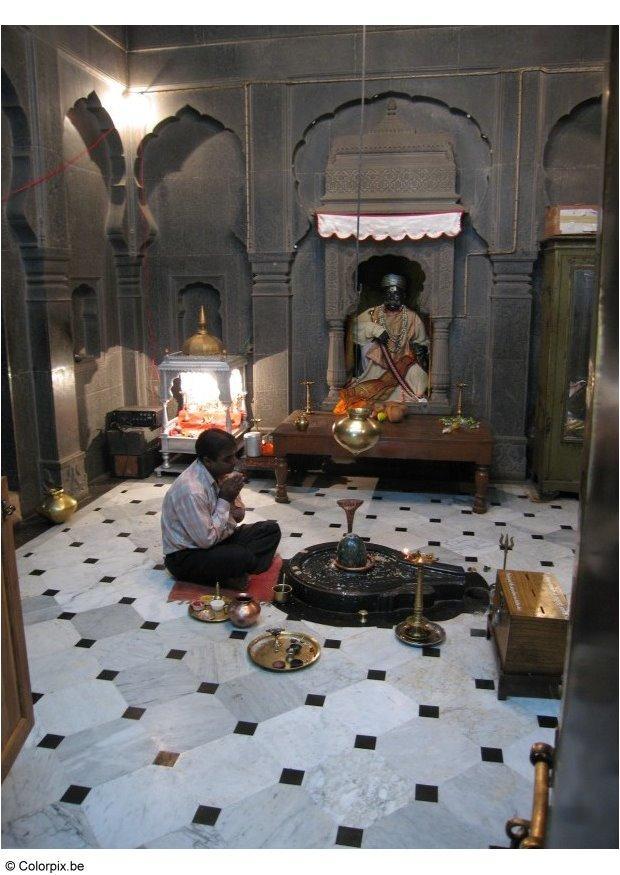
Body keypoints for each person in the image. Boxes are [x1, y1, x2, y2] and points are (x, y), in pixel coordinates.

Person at [162, 428, 281, 588]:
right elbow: (206, 540)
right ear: (208, 460)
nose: (234, 462)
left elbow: (238, 517)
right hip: (186, 556)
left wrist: (232, 497)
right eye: (227, 459)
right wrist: (224, 498)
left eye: (234, 455)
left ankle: (234, 571)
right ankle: (235, 570)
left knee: (270, 530)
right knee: (240, 555)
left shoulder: (220, 473)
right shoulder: (191, 490)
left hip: (218, 541)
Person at [334, 273, 430, 412]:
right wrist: (374, 329)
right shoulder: (373, 313)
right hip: (377, 363)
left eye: (396, 294)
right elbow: (354, 330)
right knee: (368, 348)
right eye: (388, 294)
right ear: (383, 296)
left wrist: (420, 351)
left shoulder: (412, 317)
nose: (392, 298)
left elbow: (422, 342)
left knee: (420, 380)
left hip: (403, 365)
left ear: (403, 296)